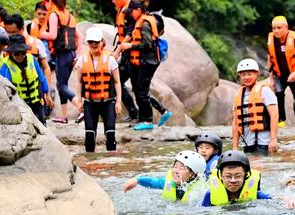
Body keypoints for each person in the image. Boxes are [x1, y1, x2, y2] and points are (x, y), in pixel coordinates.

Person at [118, 0, 171, 130]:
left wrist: (130, 45)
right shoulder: (139, 21)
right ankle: (145, 118)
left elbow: (148, 45)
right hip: (142, 61)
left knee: (142, 92)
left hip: (149, 62)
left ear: (139, 10)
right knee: (139, 90)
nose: (130, 14)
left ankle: (147, 121)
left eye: (132, 12)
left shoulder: (145, 24)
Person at [71, 27, 122, 152]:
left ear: (102, 42)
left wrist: (119, 102)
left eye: (96, 41)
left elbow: (117, 81)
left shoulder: (110, 60)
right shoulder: (82, 60)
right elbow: (78, 81)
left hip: (108, 102)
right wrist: (78, 100)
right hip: (90, 103)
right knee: (89, 135)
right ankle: (90, 162)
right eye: (90, 42)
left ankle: (112, 162)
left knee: (110, 134)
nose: (93, 44)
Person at [40, 0, 83, 124]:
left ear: (51, 2)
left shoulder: (54, 15)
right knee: (62, 85)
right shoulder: (69, 16)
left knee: (62, 85)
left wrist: (41, 33)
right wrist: (78, 55)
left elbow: (53, 35)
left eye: (46, 2)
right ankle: (63, 116)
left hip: (62, 54)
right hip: (71, 54)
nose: (45, 5)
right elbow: (80, 37)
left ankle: (81, 108)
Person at [0, 34, 52, 125]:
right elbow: (2, 88)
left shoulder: (31, 59)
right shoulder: (5, 65)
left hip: (37, 102)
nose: (20, 56)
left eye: (23, 52)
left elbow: (41, 77)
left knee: (42, 125)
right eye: (16, 53)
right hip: (20, 105)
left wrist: (47, 94)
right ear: (11, 52)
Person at [267, 15, 295, 127]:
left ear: (286, 27)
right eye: (274, 28)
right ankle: (280, 122)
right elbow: (270, 58)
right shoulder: (271, 39)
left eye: (279, 28)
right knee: (277, 95)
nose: (276, 31)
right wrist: (271, 78)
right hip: (279, 74)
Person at [232, 58, 278, 154]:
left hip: (264, 144)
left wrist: (273, 140)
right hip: (247, 145)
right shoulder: (239, 94)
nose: (246, 77)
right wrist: (235, 147)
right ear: (240, 76)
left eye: (250, 74)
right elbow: (235, 123)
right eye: (243, 74)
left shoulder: (265, 91)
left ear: (256, 74)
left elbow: (274, 115)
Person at [122, 150, 207, 202]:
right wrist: (137, 180)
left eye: (182, 168)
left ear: (193, 174)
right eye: (175, 166)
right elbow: (153, 182)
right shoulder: (170, 182)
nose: (176, 171)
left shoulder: (200, 190)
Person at [201, 150, 272, 207]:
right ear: (221, 176)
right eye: (228, 176)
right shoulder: (209, 195)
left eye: (238, 176)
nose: (233, 180)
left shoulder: (256, 194)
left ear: (245, 175)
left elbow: (275, 201)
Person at [4, 14, 52, 90]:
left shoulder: (36, 43)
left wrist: (47, 90)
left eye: (14, 32)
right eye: (8, 32)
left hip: (34, 87)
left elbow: (46, 67)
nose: (10, 36)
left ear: (22, 28)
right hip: (14, 88)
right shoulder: (4, 46)